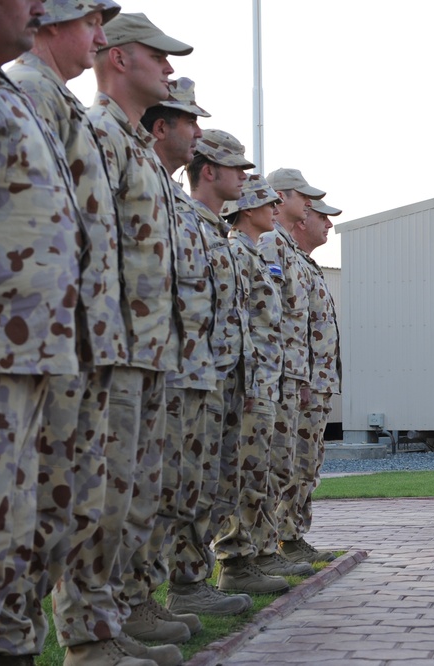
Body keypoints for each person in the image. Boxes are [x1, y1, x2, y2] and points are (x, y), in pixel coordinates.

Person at [89, 10, 200, 652]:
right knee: (105, 500)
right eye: (158, 56)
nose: (169, 68)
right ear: (121, 57)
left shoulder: (137, 149)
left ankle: (127, 617)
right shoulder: (100, 134)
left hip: (150, 350)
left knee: (137, 498)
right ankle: (96, 637)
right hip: (116, 348)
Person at [0, 0, 84, 663]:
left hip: (39, 348)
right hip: (13, 347)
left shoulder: (16, 96)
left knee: (28, 520)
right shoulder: (27, 91)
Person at [180, 128, 260, 608]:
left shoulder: (217, 234)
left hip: (225, 379)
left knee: (215, 485)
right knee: (190, 485)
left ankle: (195, 582)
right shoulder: (187, 223)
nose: (245, 176)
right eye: (237, 167)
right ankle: (185, 587)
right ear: (209, 171)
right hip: (195, 379)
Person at [215, 174, 293, 595]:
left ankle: (252, 556)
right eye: (268, 204)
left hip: (264, 380)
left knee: (257, 473)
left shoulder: (255, 256)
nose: (275, 209)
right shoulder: (236, 254)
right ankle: (235, 562)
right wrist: (245, 385)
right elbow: (239, 321)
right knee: (242, 475)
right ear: (247, 210)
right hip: (249, 383)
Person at [256, 167, 328, 578]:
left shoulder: (292, 253)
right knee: (274, 466)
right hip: (281, 376)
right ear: (282, 198)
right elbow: (272, 315)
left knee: (297, 465)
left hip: (301, 377)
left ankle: (286, 539)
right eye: (304, 198)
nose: (310, 206)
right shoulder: (271, 245)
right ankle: (266, 548)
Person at [284, 198, 343, 564]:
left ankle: (293, 536)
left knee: (307, 465)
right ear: (303, 218)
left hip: (316, 385)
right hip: (301, 384)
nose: (329, 226)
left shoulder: (307, 264)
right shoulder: (284, 256)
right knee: (292, 464)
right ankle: (282, 539)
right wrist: (302, 380)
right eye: (323, 217)